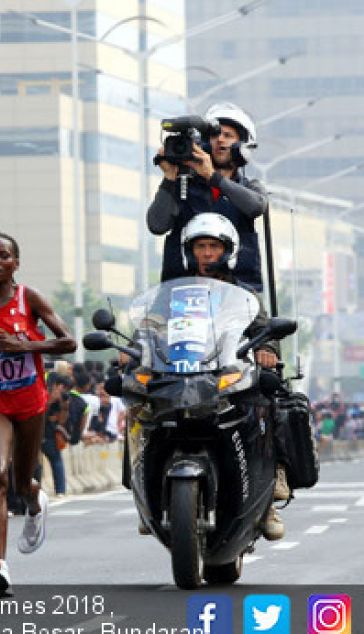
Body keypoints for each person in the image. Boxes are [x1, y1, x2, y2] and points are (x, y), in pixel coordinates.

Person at [0, 232, 76, 597]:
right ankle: (0, 567)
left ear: (15, 263)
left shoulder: (30, 299)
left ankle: (36, 503)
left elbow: (69, 341)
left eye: (3, 256)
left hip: (30, 401)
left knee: (23, 484)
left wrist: (27, 345)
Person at [179, 212, 287, 541]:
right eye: (200, 246)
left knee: (271, 404)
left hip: (233, 376)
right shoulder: (176, 293)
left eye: (213, 245)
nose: (207, 253)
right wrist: (134, 350)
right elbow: (152, 329)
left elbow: (266, 333)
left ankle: (270, 491)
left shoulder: (246, 297)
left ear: (228, 251)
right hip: (184, 377)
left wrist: (266, 351)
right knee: (139, 407)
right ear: (189, 251)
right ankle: (144, 494)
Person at [148, 102, 268, 290]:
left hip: (239, 296)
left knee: (264, 321)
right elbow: (157, 225)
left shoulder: (250, 188)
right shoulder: (182, 186)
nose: (220, 140)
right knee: (151, 321)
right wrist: (170, 177)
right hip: (179, 295)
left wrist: (212, 176)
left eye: (228, 136)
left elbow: (256, 207)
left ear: (243, 144)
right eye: (214, 135)